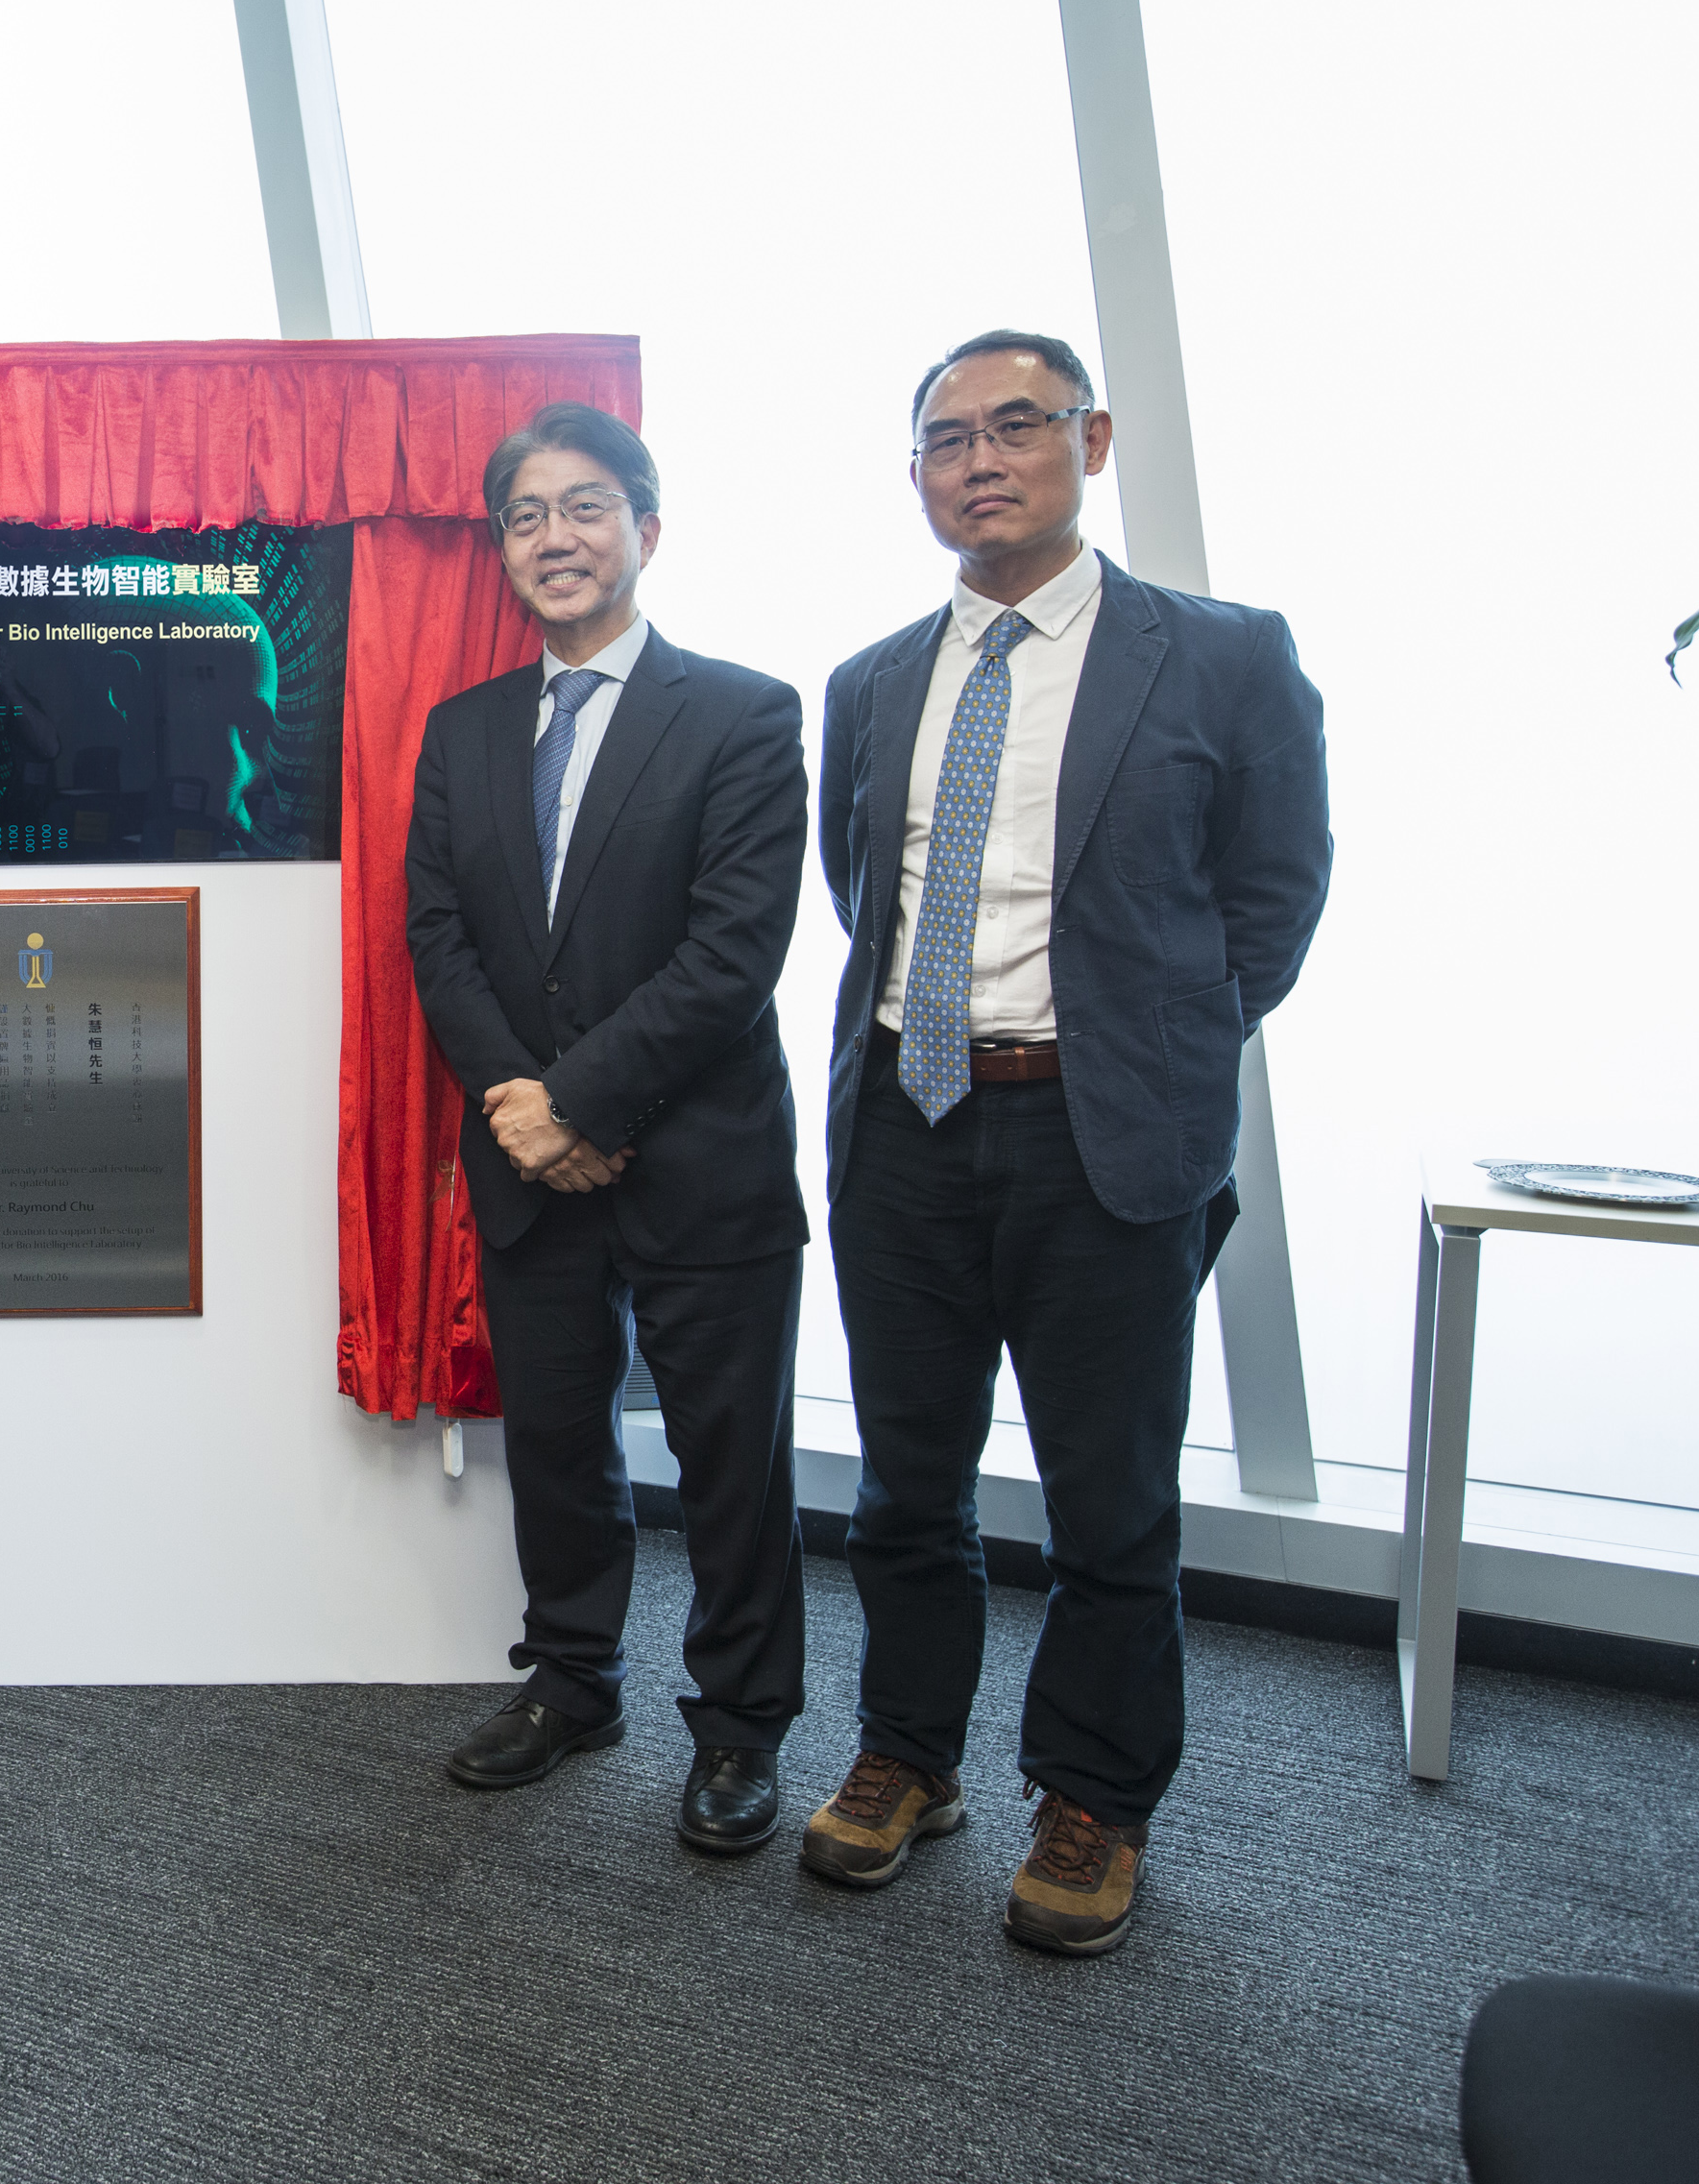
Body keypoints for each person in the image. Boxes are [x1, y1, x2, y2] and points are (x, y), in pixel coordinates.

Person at [803, 330, 1329, 1956]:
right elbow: (860, 891)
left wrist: (1154, 1042)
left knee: (1112, 1500)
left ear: (1089, 442)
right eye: (945, 438)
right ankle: (909, 1751)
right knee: (907, 1484)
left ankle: (1094, 1794)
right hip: (908, 1119)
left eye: (1017, 424)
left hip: (1103, 1138)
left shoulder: (1223, 658)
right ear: (916, 480)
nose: (981, 458)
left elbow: (1276, 897)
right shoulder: (876, 681)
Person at [404, 401, 812, 1853]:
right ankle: (573, 1682)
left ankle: (742, 1727)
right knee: (560, 1444)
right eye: (526, 515)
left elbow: (732, 952)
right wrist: (524, 1112)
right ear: (502, 549)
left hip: (701, 1156)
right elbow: (438, 937)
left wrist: (577, 1103)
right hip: (526, 1165)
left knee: (730, 1458)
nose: (556, 537)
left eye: (586, 507)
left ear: (648, 526)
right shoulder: (458, 735)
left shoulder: (747, 713)